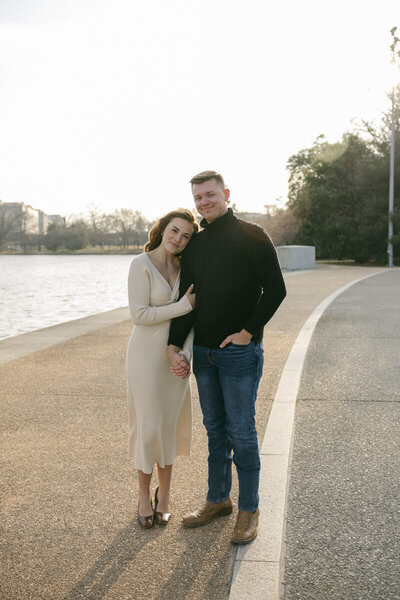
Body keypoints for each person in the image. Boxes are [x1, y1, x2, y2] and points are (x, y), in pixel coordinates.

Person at [168, 171, 286, 544]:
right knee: (215, 430)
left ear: (225, 194)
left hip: (239, 354)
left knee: (241, 431)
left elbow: (276, 290)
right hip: (204, 353)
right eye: (198, 198)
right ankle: (218, 500)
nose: (204, 202)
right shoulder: (196, 245)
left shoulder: (252, 234)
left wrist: (247, 334)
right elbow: (188, 299)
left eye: (210, 195)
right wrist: (174, 344)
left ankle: (249, 509)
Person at [126, 209, 199, 529]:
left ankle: (165, 496)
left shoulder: (187, 268)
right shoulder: (139, 265)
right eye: (174, 231)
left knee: (167, 428)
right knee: (148, 428)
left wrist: (185, 353)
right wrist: (182, 305)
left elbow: (192, 320)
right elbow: (139, 315)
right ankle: (143, 497)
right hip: (144, 357)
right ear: (162, 228)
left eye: (185, 236)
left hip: (175, 358)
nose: (178, 239)